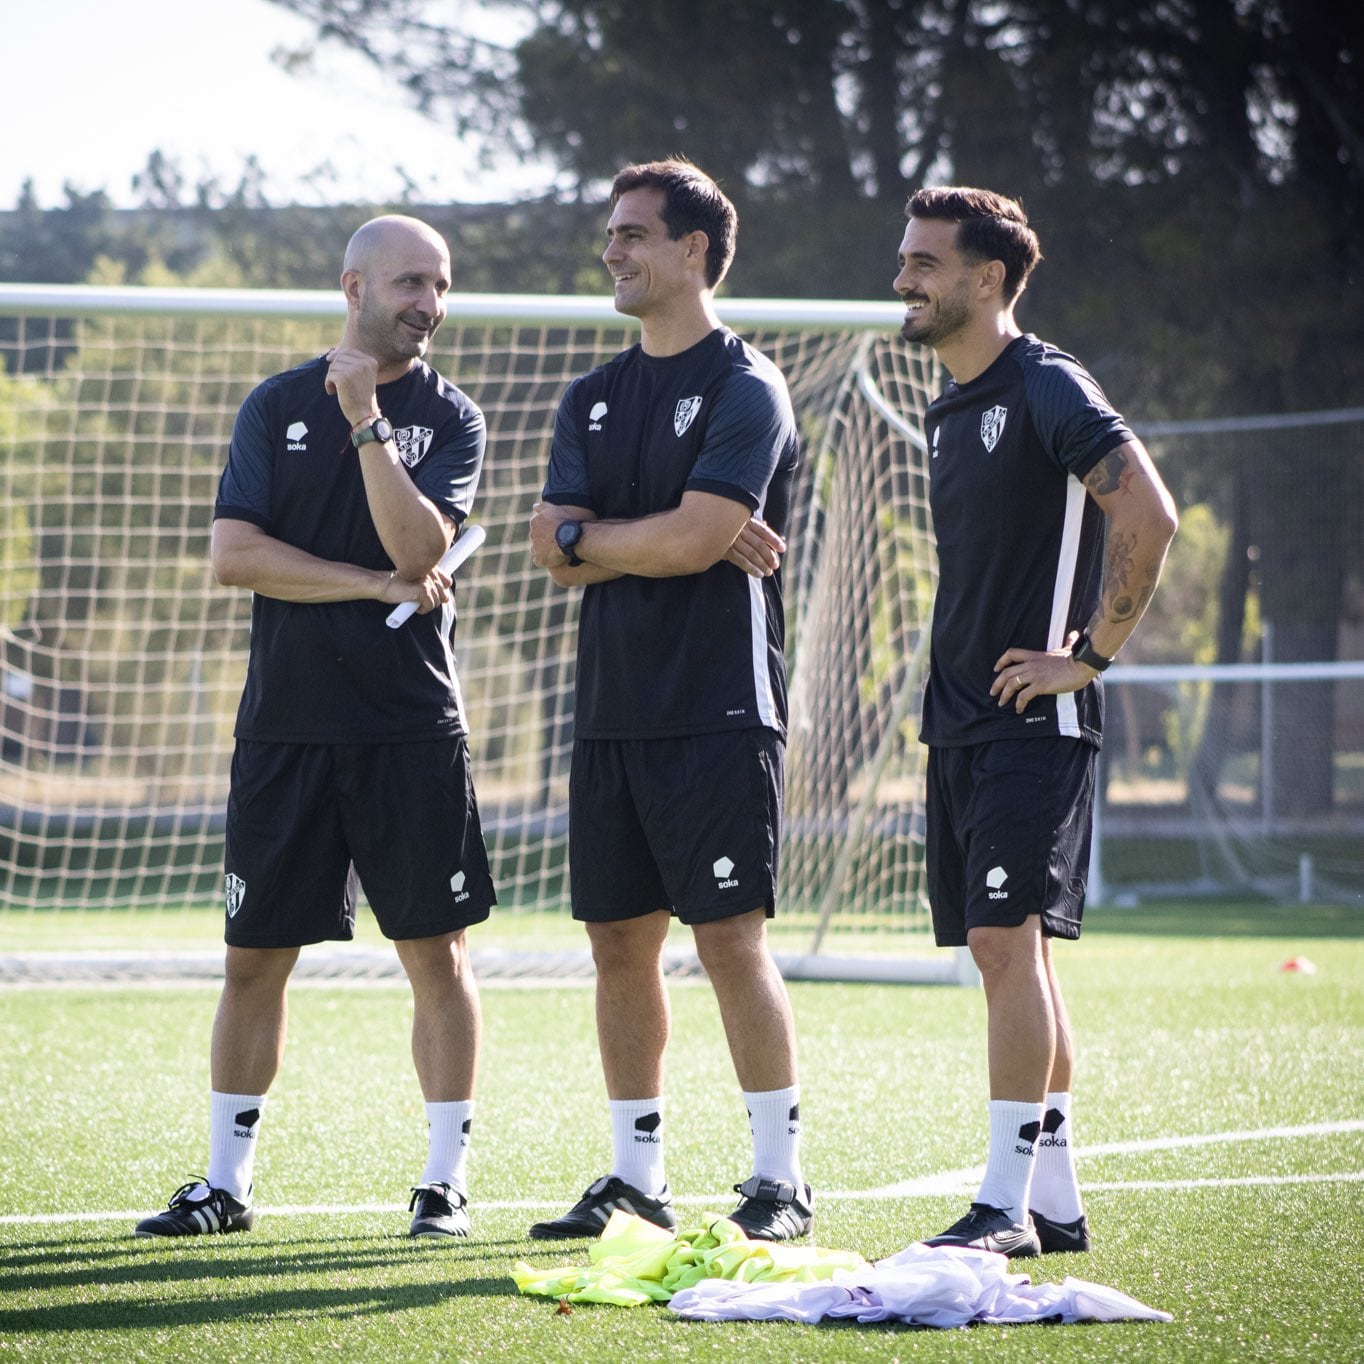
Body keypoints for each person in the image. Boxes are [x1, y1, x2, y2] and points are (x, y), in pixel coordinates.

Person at [135, 215, 496, 1242]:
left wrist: (366, 419)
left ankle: (441, 1182)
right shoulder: (272, 405)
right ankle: (226, 1183)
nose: (427, 301)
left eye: (440, 282)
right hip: (286, 729)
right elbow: (236, 555)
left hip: (411, 729)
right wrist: (367, 585)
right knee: (253, 958)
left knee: (437, 955)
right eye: (409, 282)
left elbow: (422, 542)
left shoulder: (452, 417)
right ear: (354, 286)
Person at [527, 158, 812, 1242]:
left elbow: (690, 537)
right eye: (610, 233)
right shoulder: (588, 394)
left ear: (692, 250)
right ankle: (633, 1174)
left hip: (717, 709)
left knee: (730, 938)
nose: (612, 250)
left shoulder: (747, 385)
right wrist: (620, 538)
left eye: (633, 234)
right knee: (615, 946)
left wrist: (594, 536)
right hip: (609, 710)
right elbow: (549, 547)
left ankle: (779, 1177)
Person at [894, 187, 1177, 1257]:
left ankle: (1000, 1203)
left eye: (926, 263)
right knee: (1011, 957)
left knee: (1002, 946)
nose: (904, 279)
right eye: (904, 260)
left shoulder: (1045, 382)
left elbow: (1147, 514)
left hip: (1031, 721)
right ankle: (1053, 1203)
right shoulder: (943, 406)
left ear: (986, 280)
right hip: (958, 720)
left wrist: (1086, 658)